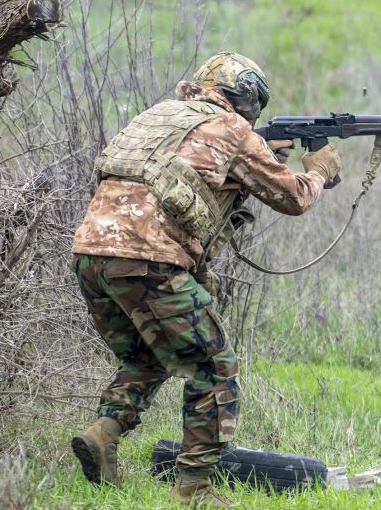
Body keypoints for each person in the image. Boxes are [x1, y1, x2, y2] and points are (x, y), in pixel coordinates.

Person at [68, 52, 341, 507]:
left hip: (91, 256)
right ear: (248, 97)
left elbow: (177, 171)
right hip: (149, 260)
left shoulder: (158, 115)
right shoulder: (233, 130)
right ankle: (193, 488)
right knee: (215, 367)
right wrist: (320, 169)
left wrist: (254, 158)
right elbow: (294, 198)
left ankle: (103, 434)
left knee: (148, 354)